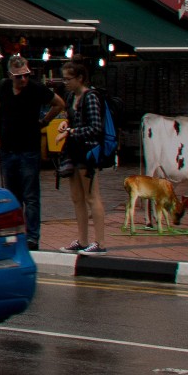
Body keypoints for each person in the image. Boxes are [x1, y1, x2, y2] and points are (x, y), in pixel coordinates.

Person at [58, 61, 110, 253]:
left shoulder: (90, 97)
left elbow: (96, 129)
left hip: (87, 152)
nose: (66, 83)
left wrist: (71, 131)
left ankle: (101, 242)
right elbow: (71, 119)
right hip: (72, 151)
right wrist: (66, 125)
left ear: (80, 78)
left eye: (68, 79)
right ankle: (82, 240)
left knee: (91, 196)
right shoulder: (71, 96)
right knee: (77, 197)